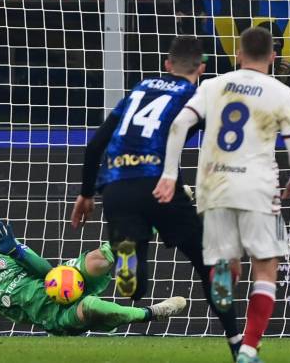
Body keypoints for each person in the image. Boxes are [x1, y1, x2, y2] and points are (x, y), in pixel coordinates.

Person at [69, 36, 242, 359]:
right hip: (161, 185)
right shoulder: (197, 94)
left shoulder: (139, 89)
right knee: (210, 266)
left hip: (118, 187)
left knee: (134, 287)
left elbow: (96, 145)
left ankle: (128, 268)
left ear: (167, 65)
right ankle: (237, 344)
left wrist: (85, 194)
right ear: (201, 68)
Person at [153, 27, 290, 363]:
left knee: (226, 263)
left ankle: (224, 270)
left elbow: (178, 125)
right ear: (273, 56)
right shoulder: (282, 93)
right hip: (257, 188)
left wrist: (168, 174)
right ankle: (248, 350)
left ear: (237, 54)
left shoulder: (211, 85)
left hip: (213, 187)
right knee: (265, 269)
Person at [0, 220, 187, 337]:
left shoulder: (1, 247)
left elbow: (46, 270)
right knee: (91, 307)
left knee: (97, 258)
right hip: (53, 316)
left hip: (60, 282)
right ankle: (151, 313)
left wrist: (17, 250)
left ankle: (158, 222)